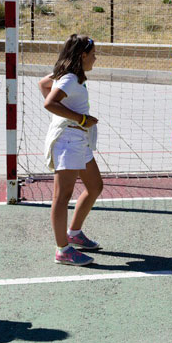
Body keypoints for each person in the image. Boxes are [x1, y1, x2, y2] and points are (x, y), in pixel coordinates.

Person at [38, 34, 104, 266]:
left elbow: (43, 84)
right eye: (93, 54)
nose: (95, 58)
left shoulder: (74, 77)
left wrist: (73, 117)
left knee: (95, 186)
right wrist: (80, 118)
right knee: (62, 196)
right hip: (67, 139)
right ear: (83, 55)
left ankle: (74, 233)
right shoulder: (69, 79)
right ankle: (62, 250)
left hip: (79, 139)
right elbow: (49, 102)